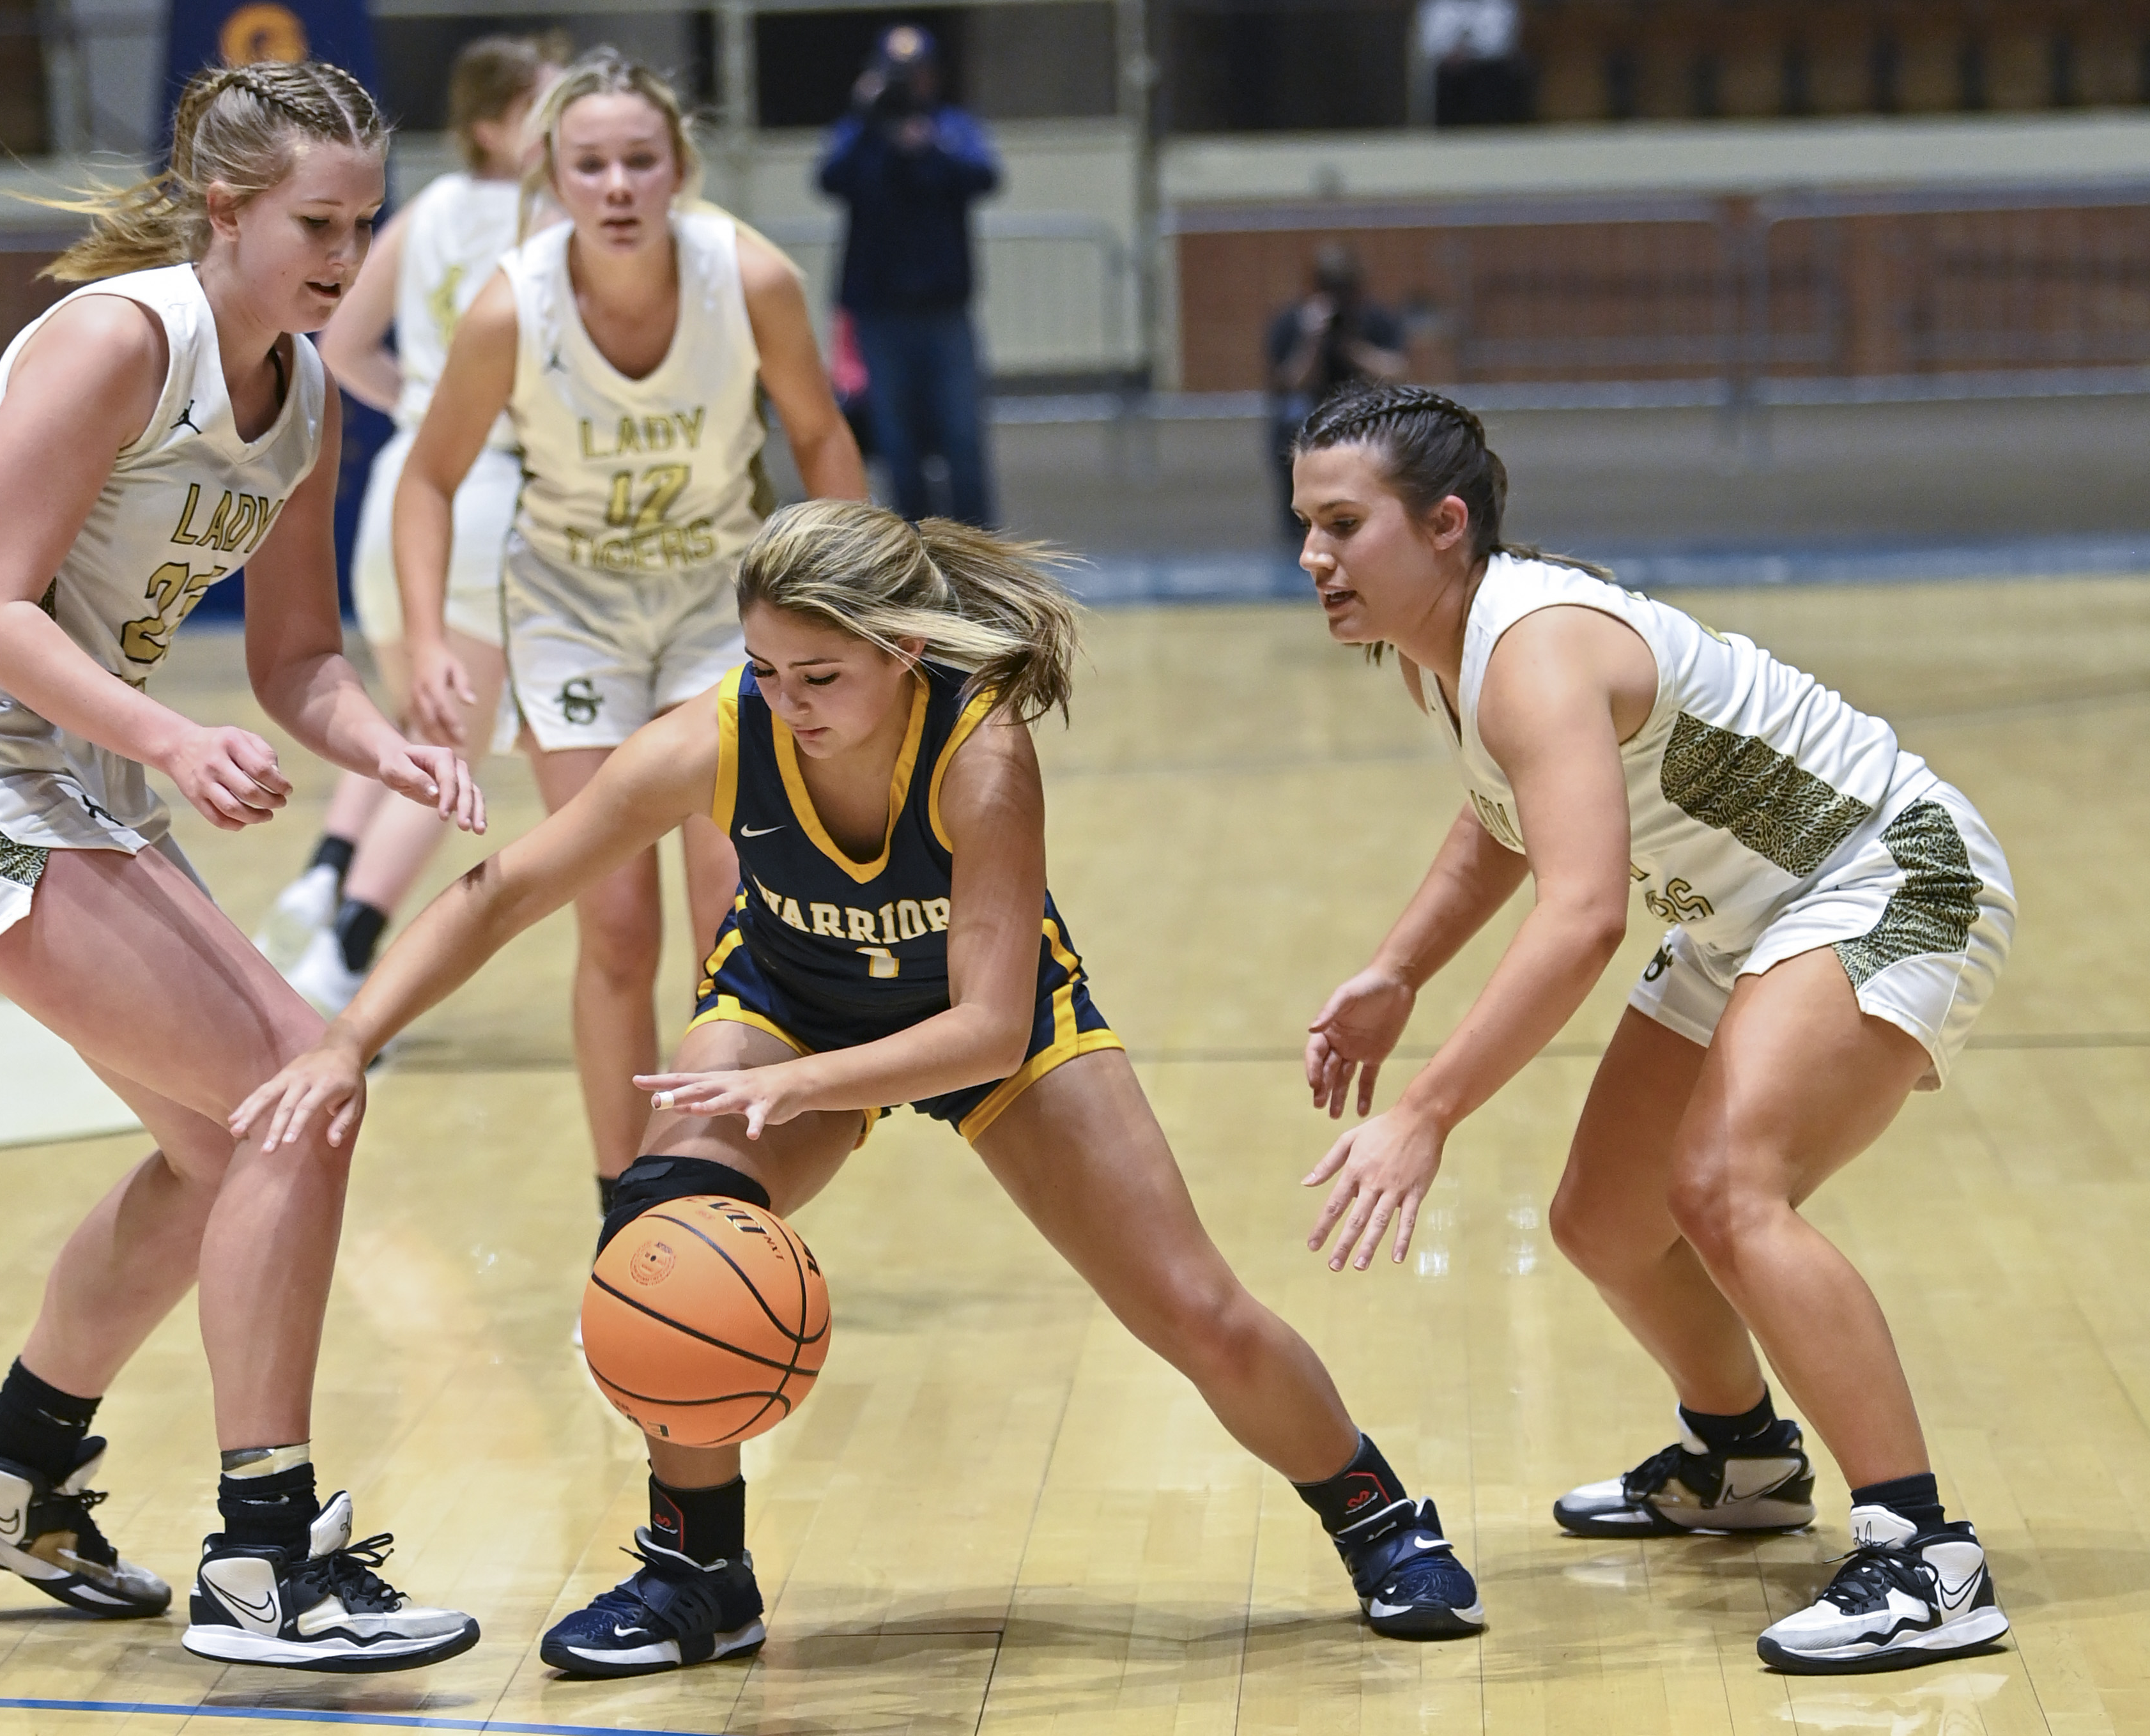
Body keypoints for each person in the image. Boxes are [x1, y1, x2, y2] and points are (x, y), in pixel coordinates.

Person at [234, 496, 1490, 1678]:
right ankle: (696, 1566)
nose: (786, 704)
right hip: (789, 1005)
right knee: (664, 1238)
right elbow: (506, 888)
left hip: (979, 1023)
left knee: (1194, 1309)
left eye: (819, 675)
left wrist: (818, 1085)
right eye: (764, 669)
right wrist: (348, 1037)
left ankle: (1374, 1509)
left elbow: (988, 1026)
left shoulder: (982, 749)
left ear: (900, 651)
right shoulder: (718, 732)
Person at [0, 62, 487, 1671]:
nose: (345, 253)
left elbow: (297, 661)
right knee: (297, 1088)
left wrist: (376, 742)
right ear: (227, 213)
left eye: (362, 224)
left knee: (223, 1147)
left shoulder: (312, 397)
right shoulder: (118, 340)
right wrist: (175, 741)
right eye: (314, 224)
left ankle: (13, 1466)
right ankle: (264, 1560)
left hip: (83, 764)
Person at [1289, 382, 2017, 1675]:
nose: (1312, 555)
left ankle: (1923, 1550)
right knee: (1605, 1218)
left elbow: (1579, 916)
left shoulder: (1534, 646)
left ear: (1443, 523)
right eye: (1306, 524)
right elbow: (1504, 813)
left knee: (1729, 1188)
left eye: (1342, 523)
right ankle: (1742, 1458)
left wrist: (1428, 1108)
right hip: (1750, 909)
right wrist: (1398, 967)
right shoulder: (1456, 650)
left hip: (1884, 872)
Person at [394, 49, 867, 1225]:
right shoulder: (513, 305)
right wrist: (423, 634)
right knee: (612, 925)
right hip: (571, 616)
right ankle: (623, 1211)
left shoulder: (749, 278)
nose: (615, 184)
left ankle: (713, 1192)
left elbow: (822, 439)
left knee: (730, 913)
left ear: (679, 170)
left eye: (638, 160)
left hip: (722, 602)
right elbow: (427, 477)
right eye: (589, 163)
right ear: (550, 174)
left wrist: (854, 605)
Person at [254, 34, 564, 1017]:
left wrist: (426, 410)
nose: (568, 130)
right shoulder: (556, 220)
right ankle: (347, 959)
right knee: (449, 755)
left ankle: (323, 871)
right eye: (547, 110)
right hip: (489, 499)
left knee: (410, 725)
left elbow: (339, 341)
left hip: (406, 483)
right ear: (492, 123)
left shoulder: (422, 211)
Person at [818, 25, 999, 526]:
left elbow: (984, 176)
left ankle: (979, 550)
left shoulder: (952, 128)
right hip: (879, 311)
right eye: (898, 75)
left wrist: (929, 148)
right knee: (896, 441)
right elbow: (829, 178)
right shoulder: (858, 134)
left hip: (944, 308)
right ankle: (913, 550)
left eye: (917, 73)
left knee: (962, 436)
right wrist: (867, 117)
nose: (909, 84)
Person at [1266, 244, 1404, 537]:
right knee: (1290, 420)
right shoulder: (1294, 321)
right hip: (1311, 413)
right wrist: (1312, 340)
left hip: (1364, 410)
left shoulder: (1374, 318)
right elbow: (1290, 381)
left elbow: (1397, 370)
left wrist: (1352, 349)